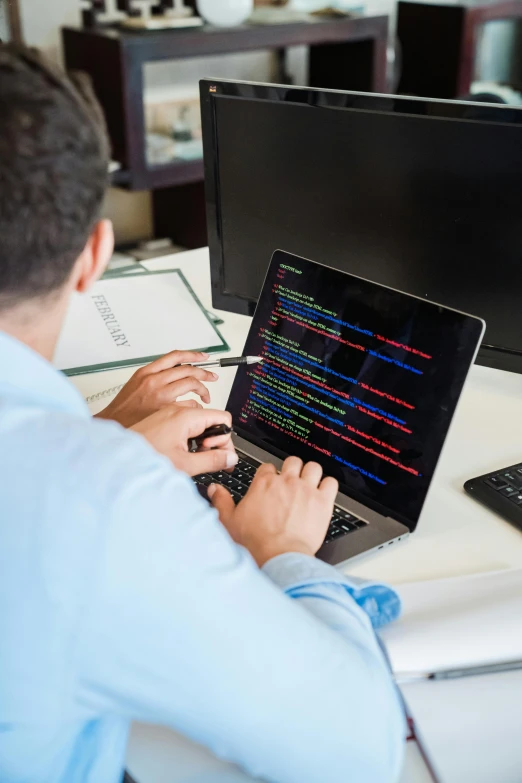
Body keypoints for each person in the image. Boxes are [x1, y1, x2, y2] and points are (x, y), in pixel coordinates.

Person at [0, 45, 406, 783]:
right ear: (95, 253)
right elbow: (358, 752)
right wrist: (280, 553)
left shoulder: (87, 478)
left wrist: (98, 437)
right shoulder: (100, 506)